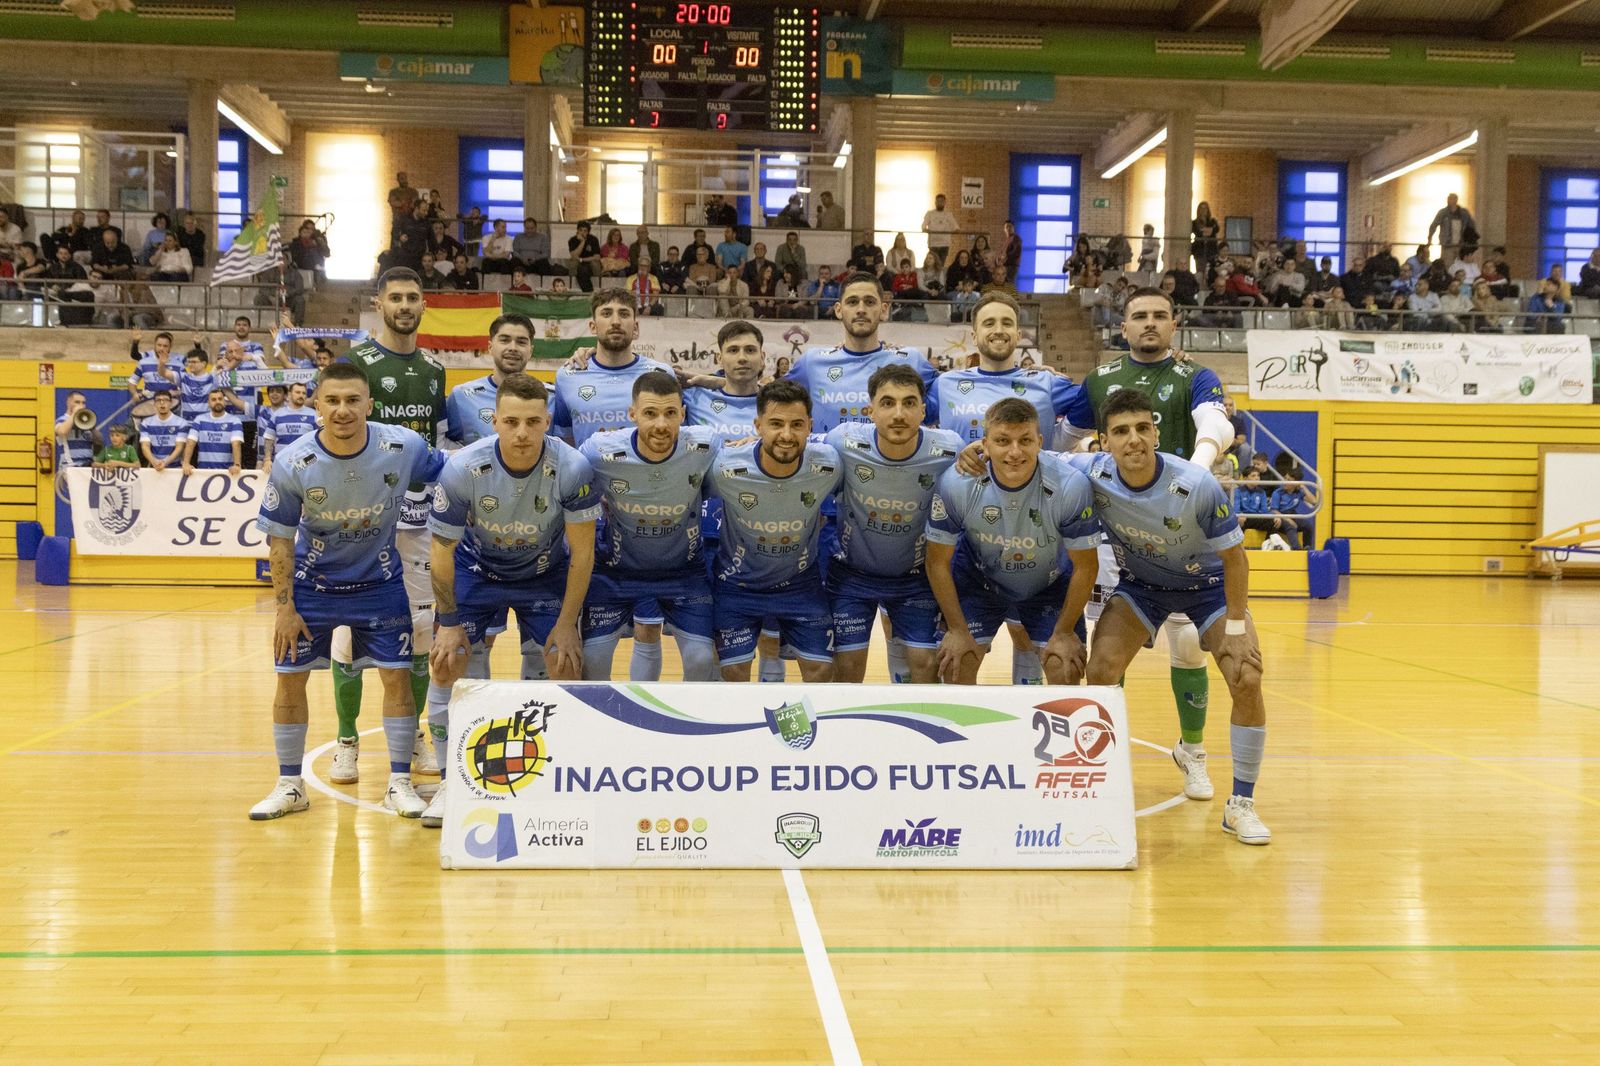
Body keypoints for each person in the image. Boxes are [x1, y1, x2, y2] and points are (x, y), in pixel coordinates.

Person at [250, 361, 444, 821]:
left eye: (353, 400)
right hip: (313, 589)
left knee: (396, 677)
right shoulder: (293, 461)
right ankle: (290, 784)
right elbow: (279, 542)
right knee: (289, 679)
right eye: (332, 400)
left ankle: (399, 783)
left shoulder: (402, 445)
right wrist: (284, 609)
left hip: (380, 584)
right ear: (316, 403)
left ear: (369, 404)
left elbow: (454, 473)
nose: (342, 410)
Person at [1077, 386, 1270, 844]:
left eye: (1143, 428)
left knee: (1246, 674)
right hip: (1143, 588)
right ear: (1104, 442)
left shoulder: (1197, 484)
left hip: (1209, 589)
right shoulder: (1091, 473)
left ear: (1156, 433)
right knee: (1100, 669)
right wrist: (975, 452)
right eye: (1121, 432)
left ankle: (1241, 803)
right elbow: (1034, 457)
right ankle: (1103, 782)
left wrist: (1238, 628)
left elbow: (1236, 560)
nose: (1134, 440)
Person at [421, 373, 597, 826]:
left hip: (543, 575)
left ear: (548, 422)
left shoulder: (573, 467)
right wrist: (449, 620)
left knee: (564, 660)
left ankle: (554, 775)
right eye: (512, 421)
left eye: (533, 422)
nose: (522, 433)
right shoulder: (462, 468)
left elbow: (582, 555)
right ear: (494, 421)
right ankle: (449, 781)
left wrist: (566, 623)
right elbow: (439, 554)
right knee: (447, 661)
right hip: (477, 571)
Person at [332, 268, 447, 784]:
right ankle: (346, 740)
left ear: (423, 304)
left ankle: (415, 735)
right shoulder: (356, 362)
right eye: (395, 297)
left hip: (419, 519)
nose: (405, 304)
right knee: (348, 632)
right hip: (360, 519)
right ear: (378, 302)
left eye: (413, 297)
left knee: (421, 630)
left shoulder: (433, 368)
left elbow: (437, 445)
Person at [925, 397, 1100, 686]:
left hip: (1048, 586)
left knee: (1065, 668)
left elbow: (1086, 566)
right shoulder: (957, 483)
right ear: (986, 444)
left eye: (1025, 440)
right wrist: (956, 629)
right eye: (1003, 441)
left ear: (1040, 442)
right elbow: (937, 561)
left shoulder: (1070, 485)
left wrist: (1065, 632)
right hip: (978, 585)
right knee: (956, 665)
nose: (1015, 452)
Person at [553, 291, 676, 680]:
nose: (616, 320)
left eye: (625, 313)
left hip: (644, 510)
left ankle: (644, 716)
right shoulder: (569, 375)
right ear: (593, 326)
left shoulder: (661, 374)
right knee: (590, 622)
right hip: (588, 513)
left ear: (637, 325)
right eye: (606, 313)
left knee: (648, 626)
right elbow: (563, 441)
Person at [824, 366, 963, 683]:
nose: (899, 414)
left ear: (923, 410)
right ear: (870, 411)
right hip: (851, 576)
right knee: (846, 671)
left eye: (909, 403)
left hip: (913, 578)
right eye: (887, 403)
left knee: (926, 666)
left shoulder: (950, 448)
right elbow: (792, 447)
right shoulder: (842, 441)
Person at [579, 372, 719, 683]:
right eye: (650, 413)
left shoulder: (707, 446)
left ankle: (681, 725)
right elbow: (562, 479)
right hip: (616, 572)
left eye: (671, 413)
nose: (661, 424)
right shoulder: (598, 451)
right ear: (632, 414)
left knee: (701, 659)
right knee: (592, 658)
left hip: (683, 572)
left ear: (683, 414)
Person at [704, 380, 841, 682]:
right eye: (776, 424)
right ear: (758, 426)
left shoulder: (829, 463)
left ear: (810, 427)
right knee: (733, 674)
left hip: (800, 586)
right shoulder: (724, 467)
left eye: (797, 425)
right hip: (737, 586)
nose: (787, 435)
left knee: (822, 672)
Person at [445, 314, 531, 446]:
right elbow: (443, 442)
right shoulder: (461, 396)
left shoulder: (551, 397)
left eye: (521, 342)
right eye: (504, 340)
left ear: (530, 351)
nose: (513, 347)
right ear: (490, 347)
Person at [182, 388, 244, 476]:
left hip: (227, 472)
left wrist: (237, 465)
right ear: (209, 403)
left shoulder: (235, 420)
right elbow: (190, 442)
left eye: (220, 399)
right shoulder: (199, 419)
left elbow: (236, 444)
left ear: (225, 401)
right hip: (203, 472)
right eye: (213, 399)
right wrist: (186, 463)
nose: (217, 401)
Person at [259, 382, 316, 470]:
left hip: (306, 467)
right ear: (289, 394)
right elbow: (269, 439)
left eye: (303, 393)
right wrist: (267, 460)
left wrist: (309, 462)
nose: (301, 395)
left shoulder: (314, 415)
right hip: (282, 466)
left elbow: (320, 442)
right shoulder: (277, 414)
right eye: (297, 392)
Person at [138, 388, 188, 471]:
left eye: (165, 400)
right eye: (158, 400)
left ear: (171, 403)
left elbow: (179, 447)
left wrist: (165, 463)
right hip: (154, 468)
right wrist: (154, 462)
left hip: (175, 469)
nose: (162, 403)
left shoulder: (181, 423)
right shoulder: (146, 423)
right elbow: (145, 446)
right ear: (154, 404)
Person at [54, 391, 102, 469]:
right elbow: (62, 431)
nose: (81, 405)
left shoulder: (86, 420)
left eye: (83, 403)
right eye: (77, 402)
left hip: (88, 467)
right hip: (70, 466)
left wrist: (92, 427)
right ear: (68, 402)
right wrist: (75, 413)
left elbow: (99, 443)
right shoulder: (62, 420)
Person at [1427, 193, 1476, 264]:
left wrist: (1470, 241)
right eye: (1448, 199)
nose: (1449, 201)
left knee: (1461, 264)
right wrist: (1430, 238)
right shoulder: (1443, 212)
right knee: (1447, 264)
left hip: (1461, 245)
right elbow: (1434, 225)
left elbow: (1471, 226)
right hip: (1447, 245)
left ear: (1456, 200)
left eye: (1451, 199)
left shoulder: (1464, 213)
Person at [921, 194, 958, 267]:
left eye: (941, 201)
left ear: (945, 202)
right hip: (933, 244)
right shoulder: (930, 213)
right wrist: (927, 230)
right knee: (932, 264)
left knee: (941, 265)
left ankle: (939, 278)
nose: (940, 203)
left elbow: (956, 227)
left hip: (944, 244)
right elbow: (923, 227)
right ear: (935, 202)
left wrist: (951, 232)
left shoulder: (948, 214)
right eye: (938, 201)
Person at [567, 221, 602, 292]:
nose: (582, 233)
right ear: (577, 230)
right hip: (579, 264)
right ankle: (589, 291)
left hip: (589, 263)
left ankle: (588, 291)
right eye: (580, 230)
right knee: (576, 265)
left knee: (590, 266)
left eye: (585, 231)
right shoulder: (572, 240)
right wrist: (582, 242)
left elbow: (597, 257)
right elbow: (574, 256)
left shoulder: (593, 239)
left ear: (588, 232)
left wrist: (582, 259)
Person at [1191, 202, 1220, 273]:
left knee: (1211, 271)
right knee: (1200, 272)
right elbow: (1195, 231)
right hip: (1199, 250)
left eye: (1205, 208)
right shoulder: (1194, 223)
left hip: (1211, 250)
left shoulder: (1212, 221)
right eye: (1201, 208)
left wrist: (1209, 230)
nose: (1203, 210)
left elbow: (1217, 229)